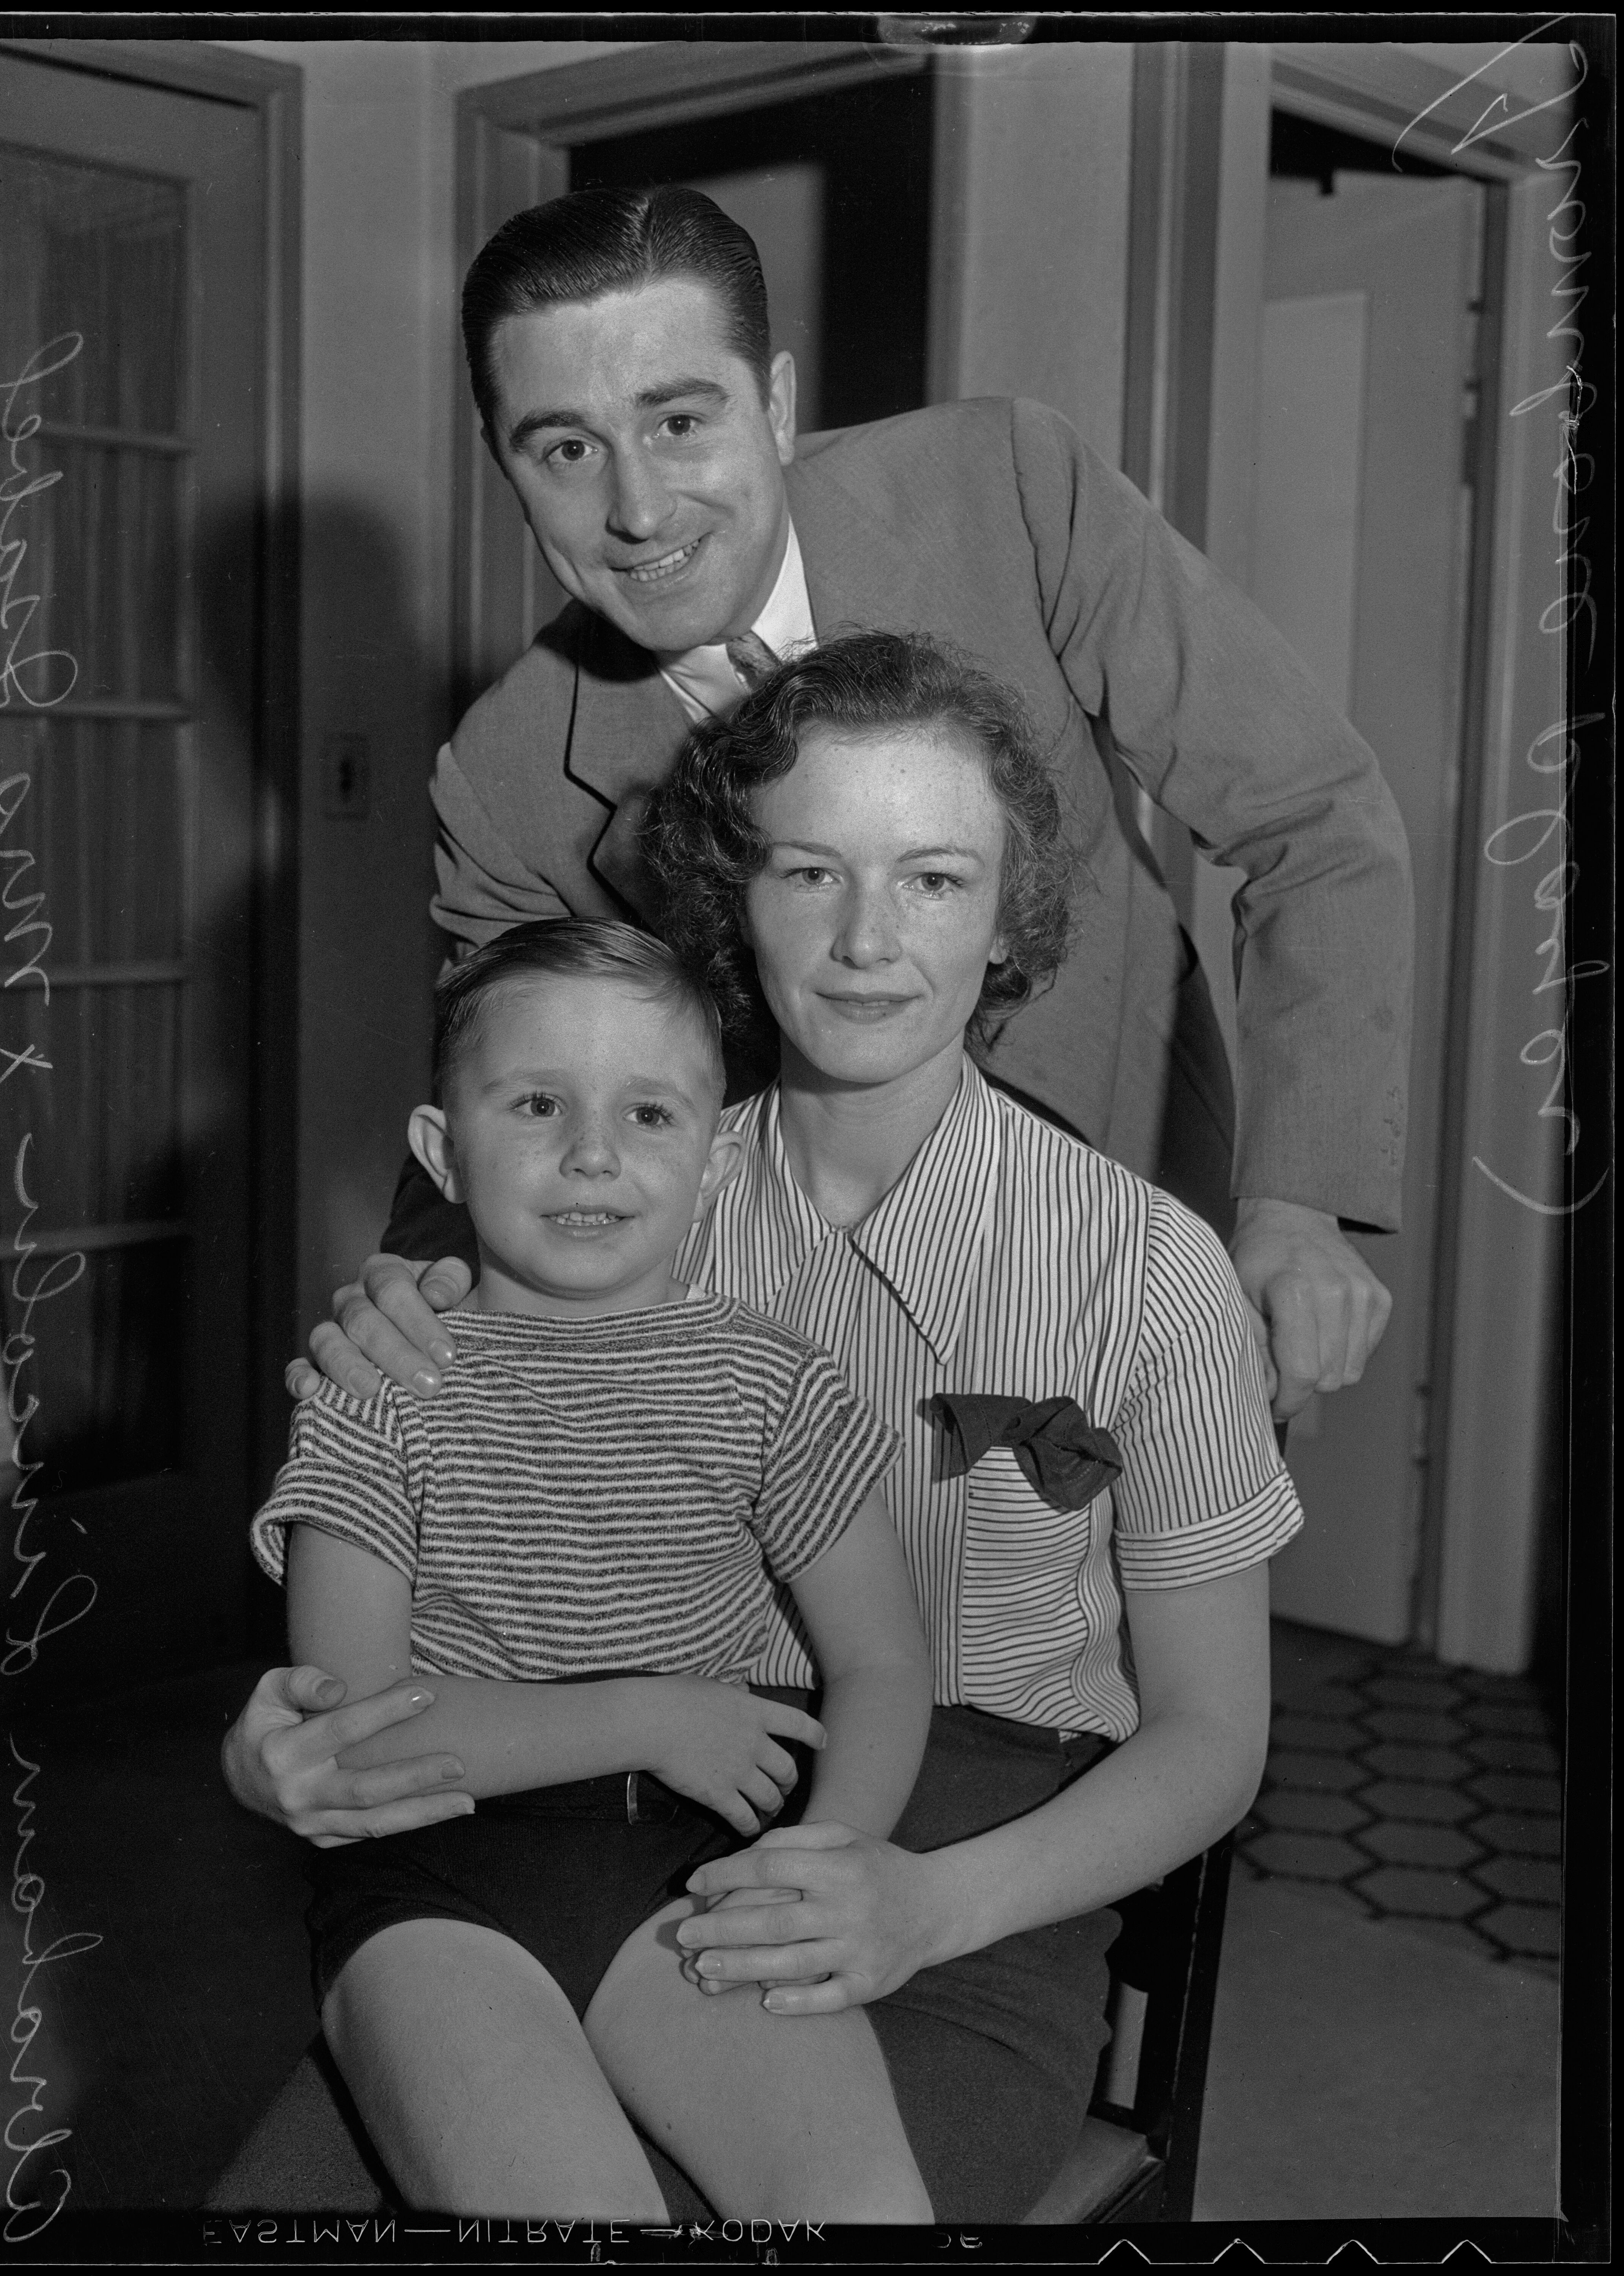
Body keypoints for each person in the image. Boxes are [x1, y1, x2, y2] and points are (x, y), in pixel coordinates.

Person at [226, 632, 1303, 2219]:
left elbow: (1213, 1736)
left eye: (932, 879)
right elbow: (393, 1579)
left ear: (1009, 913)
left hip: (972, 1872)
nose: (866, 939)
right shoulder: (620, 1183)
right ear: (733, 895)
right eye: (808, 873)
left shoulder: (1146, 1269)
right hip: (598, 1806)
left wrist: (923, 1905)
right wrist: (287, 1754)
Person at [349, 180, 1402, 1424]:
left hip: (1139, 1209)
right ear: (507, 469)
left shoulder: (1009, 487)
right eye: (568, 448)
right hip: (800, 1344)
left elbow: (1313, 820)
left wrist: (1292, 1209)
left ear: (779, 404)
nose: (637, 511)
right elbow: (503, 1087)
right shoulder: (506, 775)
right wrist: (416, 1285)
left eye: (681, 421)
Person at [250, 918, 935, 2218]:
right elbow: (358, 1739)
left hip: (698, 1859)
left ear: (714, 1161)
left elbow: (885, 1662)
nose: (593, 1155)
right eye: (539, 1104)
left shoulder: (774, 1383)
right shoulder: (380, 1388)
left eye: (650, 1114)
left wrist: (829, 1857)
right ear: (444, 1148)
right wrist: (650, 1716)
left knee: (867, 2214)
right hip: (434, 1883)